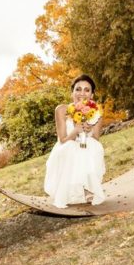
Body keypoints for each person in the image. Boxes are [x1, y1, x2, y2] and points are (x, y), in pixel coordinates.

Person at [44, 74, 106, 208]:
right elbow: (62, 140)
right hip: (65, 147)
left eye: (87, 90)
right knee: (71, 147)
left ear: (92, 95)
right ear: (72, 92)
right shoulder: (62, 110)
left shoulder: (96, 112)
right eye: (78, 89)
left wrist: (88, 129)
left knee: (92, 145)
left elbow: (95, 138)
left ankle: (87, 187)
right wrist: (76, 130)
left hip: (86, 147)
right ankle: (70, 190)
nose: (82, 93)